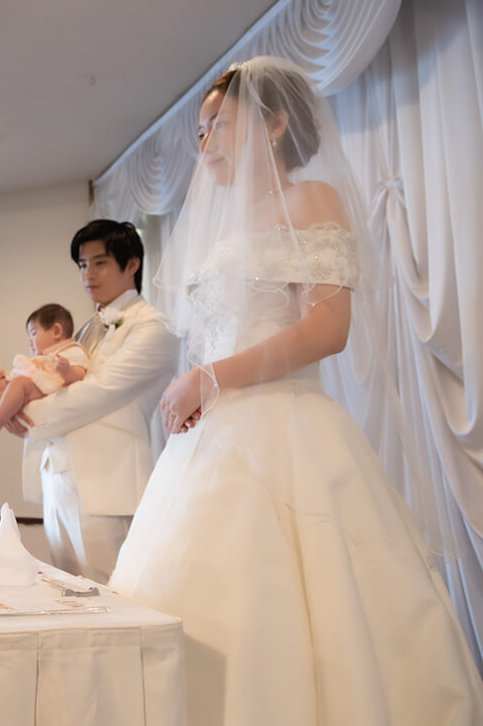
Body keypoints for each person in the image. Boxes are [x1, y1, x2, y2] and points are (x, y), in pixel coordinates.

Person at [108, 57, 483, 724]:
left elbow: (329, 327)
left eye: (220, 124)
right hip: (213, 442)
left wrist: (211, 377)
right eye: (200, 131)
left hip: (287, 428)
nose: (207, 143)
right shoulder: (227, 227)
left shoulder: (311, 200)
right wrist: (200, 384)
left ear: (276, 123)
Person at [3, 221, 178, 583]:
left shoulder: (153, 327)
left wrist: (21, 413)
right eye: (82, 265)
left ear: (131, 264)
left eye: (99, 263)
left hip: (107, 483)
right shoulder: (82, 329)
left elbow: (99, 392)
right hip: (58, 479)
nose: (87, 275)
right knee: (67, 592)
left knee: (110, 595)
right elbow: (48, 380)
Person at [0, 303, 89, 432]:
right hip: (36, 383)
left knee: (19, 382)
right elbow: (29, 372)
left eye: (34, 334)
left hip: (46, 388)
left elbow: (80, 374)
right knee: (8, 380)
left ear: (56, 331)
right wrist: (8, 375)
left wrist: (67, 371)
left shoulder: (72, 351)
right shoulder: (43, 356)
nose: (30, 343)